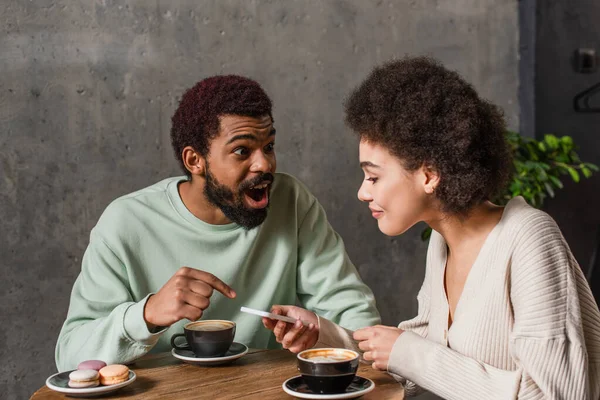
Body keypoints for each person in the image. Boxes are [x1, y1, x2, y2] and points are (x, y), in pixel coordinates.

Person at [263, 57, 600, 399]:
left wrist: (411, 354)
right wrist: (322, 334)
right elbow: (413, 357)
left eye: (374, 176)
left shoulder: (529, 238)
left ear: (429, 174)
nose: (363, 192)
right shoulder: (441, 242)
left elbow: (558, 394)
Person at [55, 75, 380, 371]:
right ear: (194, 160)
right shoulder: (125, 223)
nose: (264, 164)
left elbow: (361, 326)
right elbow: (70, 356)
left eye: (268, 146)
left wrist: (319, 333)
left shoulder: (291, 201)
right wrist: (147, 314)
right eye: (242, 151)